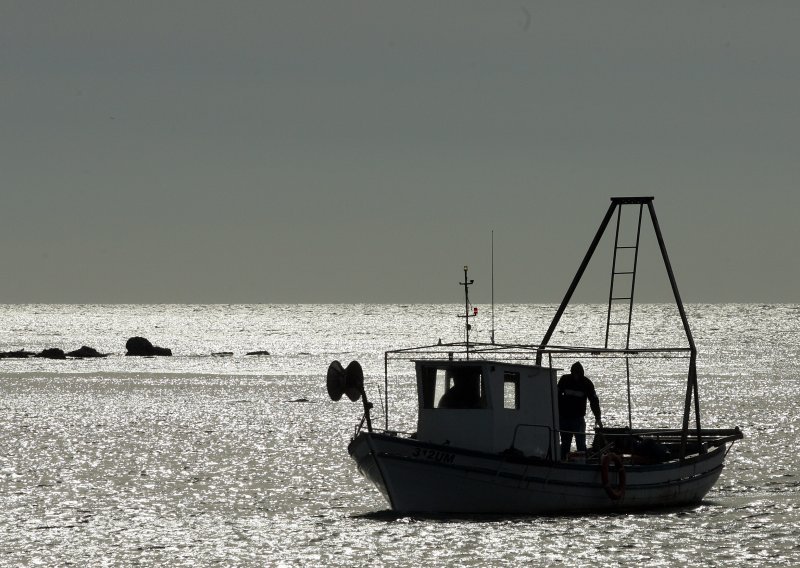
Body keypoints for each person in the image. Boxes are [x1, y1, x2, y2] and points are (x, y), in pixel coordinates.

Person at [558, 361, 601, 460]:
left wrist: (597, 417)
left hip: (578, 419)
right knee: (565, 444)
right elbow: (556, 396)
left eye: (578, 373)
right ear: (571, 372)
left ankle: (583, 462)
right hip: (564, 418)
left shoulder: (587, 383)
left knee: (581, 444)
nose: (576, 376)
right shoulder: (564, 380)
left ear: (581, 373)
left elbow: (594, 401)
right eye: (574, 373)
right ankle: (563, 462)